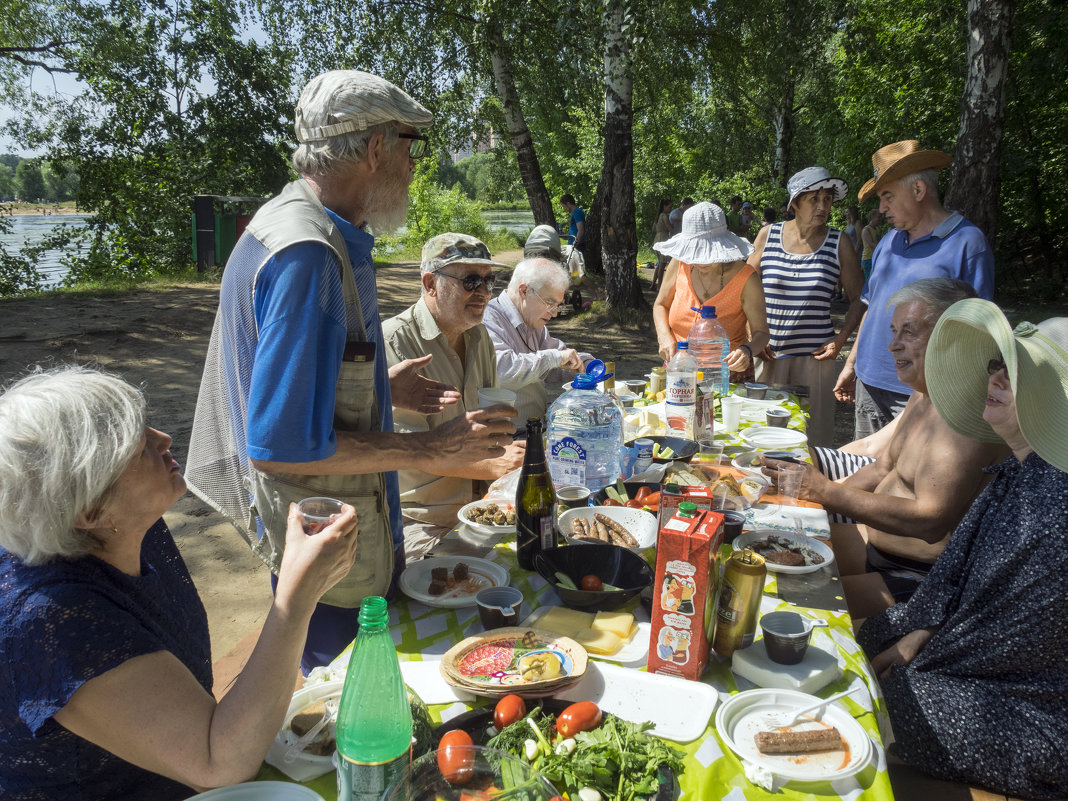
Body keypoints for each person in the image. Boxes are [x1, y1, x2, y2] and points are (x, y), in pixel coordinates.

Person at [184, 71, 514, 673]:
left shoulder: (307, 226)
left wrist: (379, 392)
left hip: (331, 536)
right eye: (411, 147)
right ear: (375, 148)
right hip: (325, 548)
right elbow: (276, 445)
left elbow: (281, 386)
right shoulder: (308, 254)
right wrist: (433, 449)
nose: (414, 168)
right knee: (346, 701)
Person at [0, 367, 360, 799]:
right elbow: (218, 763)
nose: (162, 438)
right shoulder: (54, 619)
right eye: (136, 447)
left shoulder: (130, 529)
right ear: (92, 511)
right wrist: (297, 597)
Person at [857, 301, 1068, 799]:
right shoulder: (1022, 469)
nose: (994, 381)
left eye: (1015, 376)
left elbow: (1019, 641)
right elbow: (956, 575)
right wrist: (918, 631)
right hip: (970, 648)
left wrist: (921, 655)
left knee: (875, 698)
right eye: (998, 367)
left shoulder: (1053, 505)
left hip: (1033, 705)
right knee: (854, 641)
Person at [762, 278, 1007, 618]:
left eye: (909, 332)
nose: (893, 345)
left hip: (915, 575)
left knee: (787, 606)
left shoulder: (968, 415)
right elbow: (880, 468)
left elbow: (931, 521)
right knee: (763, 555)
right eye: (894, 331)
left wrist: (827, 493)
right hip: (870, 540)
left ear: (953, 335)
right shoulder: (927, 391)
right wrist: (811, 503)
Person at [833, 140, 995, 439]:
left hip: (922, 394)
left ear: (918, 190)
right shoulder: (888, 241)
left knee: (909, 481)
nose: (881, 209)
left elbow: (978, 332)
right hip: (870, 384)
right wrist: (853, 364)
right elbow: (871, 305)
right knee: (865, 471)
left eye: (887, 197)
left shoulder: (967, 243)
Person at [384, 233, 525, 560]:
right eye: (471, 281)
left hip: (483, 508)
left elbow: (492, 427)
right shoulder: (395, 342)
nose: (484, 293)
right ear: (431, 283)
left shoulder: (479, 336)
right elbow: (411, 453)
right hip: (420, 520)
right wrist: (493, 464)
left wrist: (511, 450)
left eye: (490, 281)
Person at [747, 167, 865, 446]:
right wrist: (752, 335)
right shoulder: (768, 235)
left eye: (828, 199)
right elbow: (743, 287)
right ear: (795, 203)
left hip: (816, 360)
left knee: (811, 438)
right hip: (768, 355)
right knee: (761, 432)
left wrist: (840, 339)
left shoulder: (839, 242)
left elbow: (861, 297)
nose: (823, 206)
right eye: (815, 199)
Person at [652, 202, 770, 380]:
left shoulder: (746, 278)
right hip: (680, 371)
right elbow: (660, 305)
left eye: (707, 253)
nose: (700, 261)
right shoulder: (680, 263)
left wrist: (746, 351)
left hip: (727, 375)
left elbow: (761, 333)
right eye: (695, 252)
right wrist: (663, 336)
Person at [483, 257, 594, 422]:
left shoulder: (533, 321)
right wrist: (555, 358)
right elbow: (502, 371)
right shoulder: (488, 318)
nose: (555, 313)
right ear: (524, 291)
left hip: (532, 429)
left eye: (558, 305)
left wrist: (584, 364)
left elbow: (551, 366)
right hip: (504, 438)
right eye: (550, 303)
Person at [651, 198, 673, 290]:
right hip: (663, 239)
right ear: (664, 206)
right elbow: (669, 228)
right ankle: (659, 286)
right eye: (670, 207)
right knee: (662, 264)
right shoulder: (664, 216)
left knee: (660, 263)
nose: (671, 209)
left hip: (657, 238)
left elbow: (654, 229)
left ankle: (653, 285)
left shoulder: (658, 216)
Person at [560, 194, 587, 262]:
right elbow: (574, 231)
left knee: (576, 268)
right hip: (574, 244)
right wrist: (564, 236)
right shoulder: (574, 213)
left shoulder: (577, 212)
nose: (564, 208)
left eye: (564, 206)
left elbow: (581, 230)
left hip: (577, 245)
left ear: (568, 204)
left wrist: (575, 243)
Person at [859, 207, 883, 279]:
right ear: (872, 216)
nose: (880, 219)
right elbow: (871, 244)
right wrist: (883, 248)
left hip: (876, 257)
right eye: (878, 217)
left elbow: (880, 241)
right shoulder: (866, 230)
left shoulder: (877, 229)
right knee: (870, 281)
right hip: (868, 259)